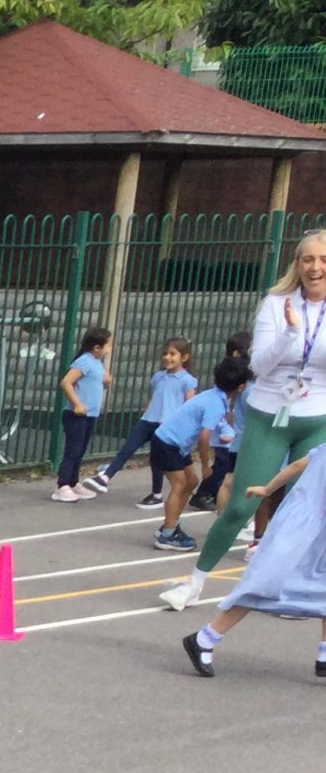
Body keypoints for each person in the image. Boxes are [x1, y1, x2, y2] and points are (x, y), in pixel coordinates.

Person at [162, 230, 326, 611]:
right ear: (297, 264)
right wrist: (290, 334)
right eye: (308, 259)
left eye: (323, 260)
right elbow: (260, 366)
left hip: (316, 417)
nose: (315, 267)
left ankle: (292, 590)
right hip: (270, 416)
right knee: (241, 505)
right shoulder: (276, 303)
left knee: (304, 508)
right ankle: (194, 583)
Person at [180, 456, 326, 679]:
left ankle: (325, 655)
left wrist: (267, 489)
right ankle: (205, 637)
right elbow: (298, 466)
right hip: (303, 529)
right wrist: (267, 490)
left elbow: (297, 466)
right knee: (263, 585)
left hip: (311, 528)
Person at [150, 355, 250, 555]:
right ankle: (167, 535)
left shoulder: (214, 396)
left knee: (191, 482)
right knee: (179, 485)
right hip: (167, 443)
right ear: (240, 387)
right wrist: (205, 465)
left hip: (176, 444)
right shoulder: (216, 403)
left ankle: (171, 524)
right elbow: (204, 437)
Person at [90, 338, 197, 505]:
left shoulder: (187, 380)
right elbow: (156, 396)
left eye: (172, 354)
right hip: (148, 420)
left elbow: (189, 405)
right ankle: (105, 477)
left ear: (184, 357)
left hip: (166, 425)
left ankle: (156, 494)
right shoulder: (158, 376)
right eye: (165, 353)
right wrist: (148, 407)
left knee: (156, 459)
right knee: (127, 448)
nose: (167, 357)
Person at [188, 330, 254, 514]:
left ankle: (208, 495)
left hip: (230, 433)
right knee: (225, 470)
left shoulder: (239, 380)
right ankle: (204, 495)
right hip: (230, 436)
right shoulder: (240, 381)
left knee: (224, 470)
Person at [50, 326, 112, 501]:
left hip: (90, 414)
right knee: (73, 450)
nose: (109, 349)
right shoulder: (84, 361)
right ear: (97, 347)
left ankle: (73, 482)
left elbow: (95, 386)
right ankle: (62, 485)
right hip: (76, 415)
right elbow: (66, 382)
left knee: (81, 450)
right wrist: (77, 404)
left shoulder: (97, 363)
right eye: (108, 345)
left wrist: (106, 382)